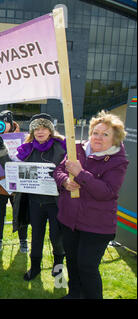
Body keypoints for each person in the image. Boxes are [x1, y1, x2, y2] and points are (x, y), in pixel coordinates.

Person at [54, 111, 128, 299]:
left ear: (115, 138)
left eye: (105, 134)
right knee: (72, 261)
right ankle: (74, 294)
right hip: (70, 219)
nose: (98, 137)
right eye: (96, 132)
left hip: (96, 225)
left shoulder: (117, 160)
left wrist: (80, 174)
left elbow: (107, 192)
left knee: (87, 266)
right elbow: (59, 170)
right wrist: (64, 181)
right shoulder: (77, 148)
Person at [0, 113, 66, 281]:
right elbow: (10, 167)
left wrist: (59, 175)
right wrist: (1, 151)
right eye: (36, 129)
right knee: (37, 235)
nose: (40, 132)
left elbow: (70, 170)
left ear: (50, 130)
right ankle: (35, 268)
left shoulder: (62, 148)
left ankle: (58, 267)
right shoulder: (27, 148)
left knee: (57, 236)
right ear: (32, 131)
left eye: (44, 128)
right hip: (35, 202)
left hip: (56, 202)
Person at [0, 110, 28, 253]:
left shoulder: (23, 138)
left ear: (11, 123)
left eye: (5, 122)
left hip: (16, 184)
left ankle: (23, 240)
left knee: (20, 213)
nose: (2, 125)